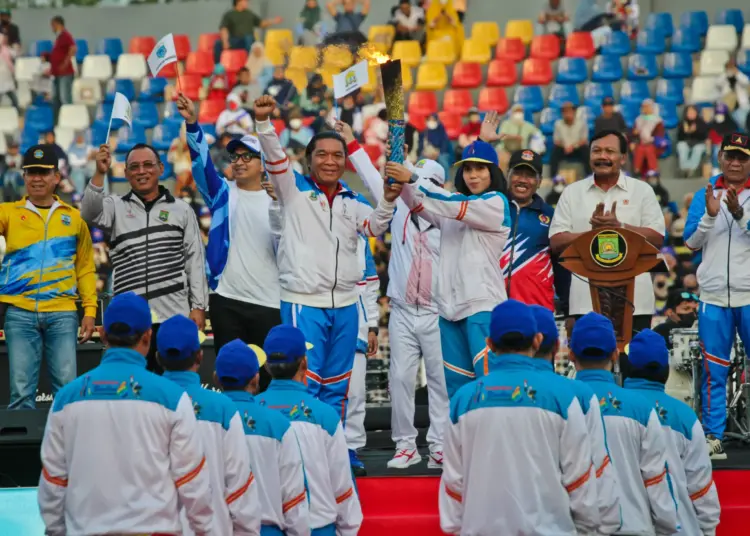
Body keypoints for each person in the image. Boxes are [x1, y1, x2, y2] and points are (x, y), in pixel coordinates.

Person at [254, 95, 401, 419]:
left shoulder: (352, 199)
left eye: (338, 155)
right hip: (304, 303)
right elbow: (276, 158)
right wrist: (264, 125)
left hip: (346, 306)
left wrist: (388, 199)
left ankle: (334, 453)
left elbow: (375, 226)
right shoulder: (292, 190)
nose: (331, 161)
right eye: (322, 155)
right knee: (305, 384)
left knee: (337, 387)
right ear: (309, 161)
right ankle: (305, 453)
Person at [37, 293, 214, 535]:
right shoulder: (172, 397)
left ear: (104, 334)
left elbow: (53, 482)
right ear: (148, 337)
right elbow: (193, 483)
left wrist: (57, 531)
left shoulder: (66, 398)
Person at [439, 300, 599, 535]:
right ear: (537, 340)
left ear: (490, 344)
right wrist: (586, 527)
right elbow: (580, 477)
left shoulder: (462, 400)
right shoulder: (563, 398)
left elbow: (454, 481)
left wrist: (457, 526)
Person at [344, 122, 449, 470]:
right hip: (403, 310)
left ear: (439, 187)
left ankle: (439, 445)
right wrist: (350, 141)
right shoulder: (400, 209)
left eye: (425, 184)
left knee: (439, 380)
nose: (415, 191)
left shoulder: (450, 216)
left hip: (437, 311)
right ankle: (405, 445)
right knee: (400, 380)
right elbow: (374, 179)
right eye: (412, 182)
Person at [385, 140, 511, 398]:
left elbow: (449, 203)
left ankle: (493, 439)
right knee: (458, 393)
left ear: (493, 173)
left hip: (482, 308)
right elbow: (419, 204)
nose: (473, 175)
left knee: (491, 388)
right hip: (449, 312)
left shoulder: (495, 203)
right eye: (467, 169)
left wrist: (410, 174)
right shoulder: (452, 208)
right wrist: (401, 164)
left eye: (480, 169)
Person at [81, 143, 209, 374]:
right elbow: (88, 213)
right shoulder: (115, 206)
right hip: (130, 318)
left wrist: (198, 306)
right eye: (135, 167)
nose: (142, 171)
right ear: (127, 173)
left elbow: (195, 260)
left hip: (173, 316)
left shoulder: (182, 210)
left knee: (173, 382)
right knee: (132, 384)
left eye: (148, 165)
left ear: (161, 168)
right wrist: (100, 172)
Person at [178, 93, 281, 371]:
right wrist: (193, 124)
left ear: (264, 163)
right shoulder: (223, 194)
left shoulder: (281, 200)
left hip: (270, 301)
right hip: (227, 300)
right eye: (235, 156)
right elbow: (202, 165)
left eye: (248, 156)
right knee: (232, 375)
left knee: (267, 378)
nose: (239, 161)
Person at [0, 144, 97, 410]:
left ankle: (69, 452)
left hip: (63, 313)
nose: (37, 178)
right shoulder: (7, 213)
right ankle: (21, 453)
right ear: (23, 176)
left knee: (67, 394)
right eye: (31, 172)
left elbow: (86, 267)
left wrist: (89, 310)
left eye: (43, 172)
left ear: (57, 176)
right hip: (19, 311)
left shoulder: (75, 218)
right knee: (20, 394)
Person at [571, 312, 679, 536]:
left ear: (571, 355)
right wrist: (667, 526)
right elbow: (656, 478)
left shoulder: (560, 403)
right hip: (635, 527)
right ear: (614, 354)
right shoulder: (640, 407)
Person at [549, 130, 666, 335]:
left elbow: (657, 238)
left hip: (635, 301)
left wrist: (619, 228)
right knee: (592, 364)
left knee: (631, 365)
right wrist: (592, 235)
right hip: (585, 302)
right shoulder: (572, 192)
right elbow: (556, 242)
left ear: (623, 158)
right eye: (597, 151)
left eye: (610, 151)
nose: (602, 156)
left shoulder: (642, 190)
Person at [158, 314, 260, 536]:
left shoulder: (145, 403)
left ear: (157, 357)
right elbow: (239, 484)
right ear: (200, 356)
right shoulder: (222, 407)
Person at [259, 325, 363, 535]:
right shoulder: (325, 415)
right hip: (318, 527)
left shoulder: (246, 415)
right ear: (304, 363)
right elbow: (342, 483)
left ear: (266, 366)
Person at [684, 131, 750, 459]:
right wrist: (711, 215)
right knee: (714, 370)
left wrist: (740, 215)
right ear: (721, 157)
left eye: (742, 157)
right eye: (731, 155)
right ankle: (713, 436)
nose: (736, 162)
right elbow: (691, 243)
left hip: (749, 297)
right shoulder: (705, 193)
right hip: (712, 297)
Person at [529, 305, 621, 534]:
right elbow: (592, 469)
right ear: (615, 354)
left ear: (570, 353)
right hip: (581, 524)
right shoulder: (575, 396)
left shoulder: (469, 398)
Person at [623, 330, 722, 535]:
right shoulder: (685, 416)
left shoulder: (607, 408)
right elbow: (700, 484)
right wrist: (709, 528)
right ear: (666, 370)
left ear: (628, 367)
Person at [216, 339, 310, 536]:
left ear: (216, 378)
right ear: (256, 378)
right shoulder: (278, 424)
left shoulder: (202, 421)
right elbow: (293, 497)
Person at [477, 115, 570, 312]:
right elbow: (470, 178)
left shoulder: (551, 216)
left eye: (530, 175)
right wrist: (482, 142)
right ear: (508, 174)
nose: (523, 180)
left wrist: (568, 308)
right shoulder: (492, 204)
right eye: (518, 173)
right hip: (492, 309)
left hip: (537, 311)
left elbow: (561, 266)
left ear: (539, 181)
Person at [344, 234, 380, 475]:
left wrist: (372, 327)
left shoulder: (360, 239)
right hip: (321, 323)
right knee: (324, 390)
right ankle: (326, 447)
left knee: (355, 392)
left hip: (356, 327)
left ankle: (350, 448)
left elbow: (371, 285)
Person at [214, 0, 283, 64]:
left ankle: (249, 64)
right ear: (239, 1)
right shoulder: (229, 14)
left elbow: (261, 23)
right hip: (236, 41)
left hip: (249, 41)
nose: (248, 2)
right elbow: (223, 28)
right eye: (245, 1)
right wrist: (225, 42)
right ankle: (218, 68)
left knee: (248, 38)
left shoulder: (249, 13)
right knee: (217, 44)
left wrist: (273, 21)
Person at [550, 102, 591, 178]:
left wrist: (573, 146)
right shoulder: (558, 124)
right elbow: (556, 140)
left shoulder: (581, 123)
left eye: (569, 111)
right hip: (563, 148)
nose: (567, 114)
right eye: (565, 112)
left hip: (577, 148)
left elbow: (584, 139)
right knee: (554, 152)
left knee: (586, 150)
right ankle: (554, 177)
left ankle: (589, 176)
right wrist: (565, 146)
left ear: (574, 112)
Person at [49, 16, 75, 116]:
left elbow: (73, 48)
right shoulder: (58, 37)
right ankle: (57, 119)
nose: (52, 28)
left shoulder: (65, 35)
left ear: (58, 24)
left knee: (65, 97)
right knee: (56, 98)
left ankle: (69, 117)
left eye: (53, 25)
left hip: (65, 73)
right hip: (57, 73)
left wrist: (65, 63)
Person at [631, 99, 664, 178]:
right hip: (641, 143)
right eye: (643, 107)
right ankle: (637, 170)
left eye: (647, 107)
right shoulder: (638, 119)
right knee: (640, 148)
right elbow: (633, 135)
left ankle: (654, 170)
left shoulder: (658, 120)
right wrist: (635, 135)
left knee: (647, 149)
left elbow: (660, 135)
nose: (645, 109)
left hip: (654, 143)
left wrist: (650, 139)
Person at [676, 105, 709, 178]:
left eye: (693, 112)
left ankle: (691, 169)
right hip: (686, 143)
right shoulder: (682, 123)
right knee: (681, 146)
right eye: (689, 112)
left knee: (698, 149)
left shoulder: (701, 122)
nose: (691, 113)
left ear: (696, 113)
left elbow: (704, 136)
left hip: (698, 143)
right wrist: (685, 132)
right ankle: (684, 169)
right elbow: (679, 138)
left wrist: (695, 131)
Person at [0, 34, 18, 110]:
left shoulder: (6, 49)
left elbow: (15, 54)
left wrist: (15, 48)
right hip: (2, 76)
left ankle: (17, 109)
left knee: (9, 92)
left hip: (6, 75)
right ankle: (17, 108)